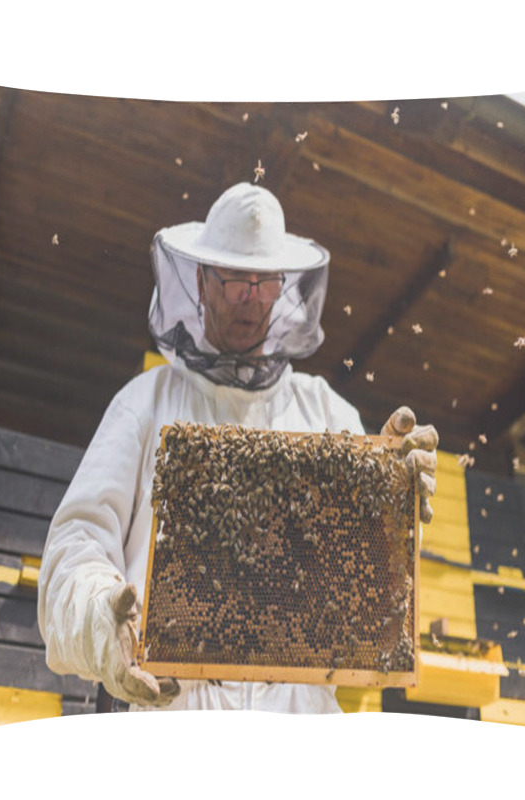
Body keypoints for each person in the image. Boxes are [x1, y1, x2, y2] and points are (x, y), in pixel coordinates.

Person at [37, 182, 438, 713]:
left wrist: (395, 500)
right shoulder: (145, 404)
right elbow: (75, 546)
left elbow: (367, 591)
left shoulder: (329, 415)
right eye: (234, 281)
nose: (252, 298)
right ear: (201, 283)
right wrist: (101, 620)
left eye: (266, 283)